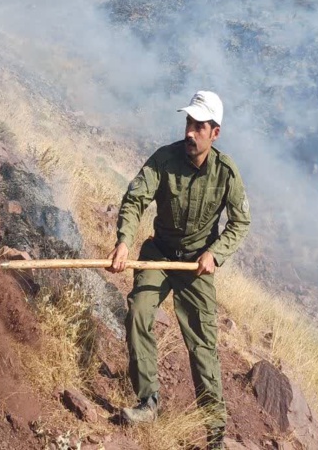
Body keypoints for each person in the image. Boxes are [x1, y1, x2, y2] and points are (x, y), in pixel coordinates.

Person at [107, 90, 251, 449]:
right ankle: (148, 400)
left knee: (203, 346)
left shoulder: (226, 172)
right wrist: (124, 241)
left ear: (214, 133)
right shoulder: (164, 159)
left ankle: (216, 434)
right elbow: (136, 198)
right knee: (139, 311)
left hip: (196, 267)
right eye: (189, 122)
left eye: (199, 126)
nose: (190, 132)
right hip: (158, 255)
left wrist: (215, 255)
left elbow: (240, 222)